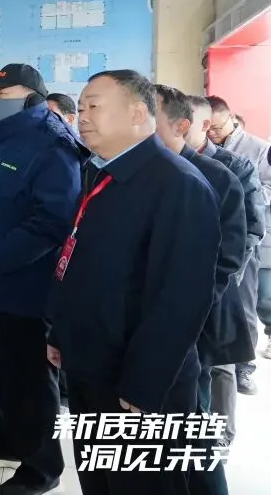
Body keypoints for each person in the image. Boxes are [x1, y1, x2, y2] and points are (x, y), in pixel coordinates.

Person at [48, 71, 220, 495]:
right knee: (98, 478)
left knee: (139, 485)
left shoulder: (177, 184)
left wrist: (144, 384)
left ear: (138, 113)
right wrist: (62, 334)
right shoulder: (99, 173)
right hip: (90, 365)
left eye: (94, 106)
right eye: (80, 107)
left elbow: (181, 299)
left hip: (135, 383)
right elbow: (82, 264)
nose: (82, 116)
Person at [0, 63, 81, 495]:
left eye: (4, 94)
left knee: (28, 380)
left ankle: (41, 466)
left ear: (32, 98)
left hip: (22, 288)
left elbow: (53, 220)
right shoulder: (6, 140)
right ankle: (4, 439)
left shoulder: (52, 144)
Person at [155, 85, 247, 495]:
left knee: (192, 422)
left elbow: (228, 257)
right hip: (151, 325)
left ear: (182, 125)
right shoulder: (138, 173)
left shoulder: (217, 177)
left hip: (195, 324)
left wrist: (186, 312)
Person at [185, 94, 267, 449]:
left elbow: (251, 228)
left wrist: (226, 274)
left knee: (220, 361)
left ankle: (221, 434)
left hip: (226, 279)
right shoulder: (167, 164)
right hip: (185, 282)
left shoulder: (234, 166)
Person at [207, 95, 271, 393]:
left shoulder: (257, 149)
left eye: (217, 128)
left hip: (246, 235)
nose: (213, 133)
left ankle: (244, 368)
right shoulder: (203, 149)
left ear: (230, 119)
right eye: (208, 128)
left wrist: (240, 190)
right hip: (214, 235)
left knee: (245, 305)